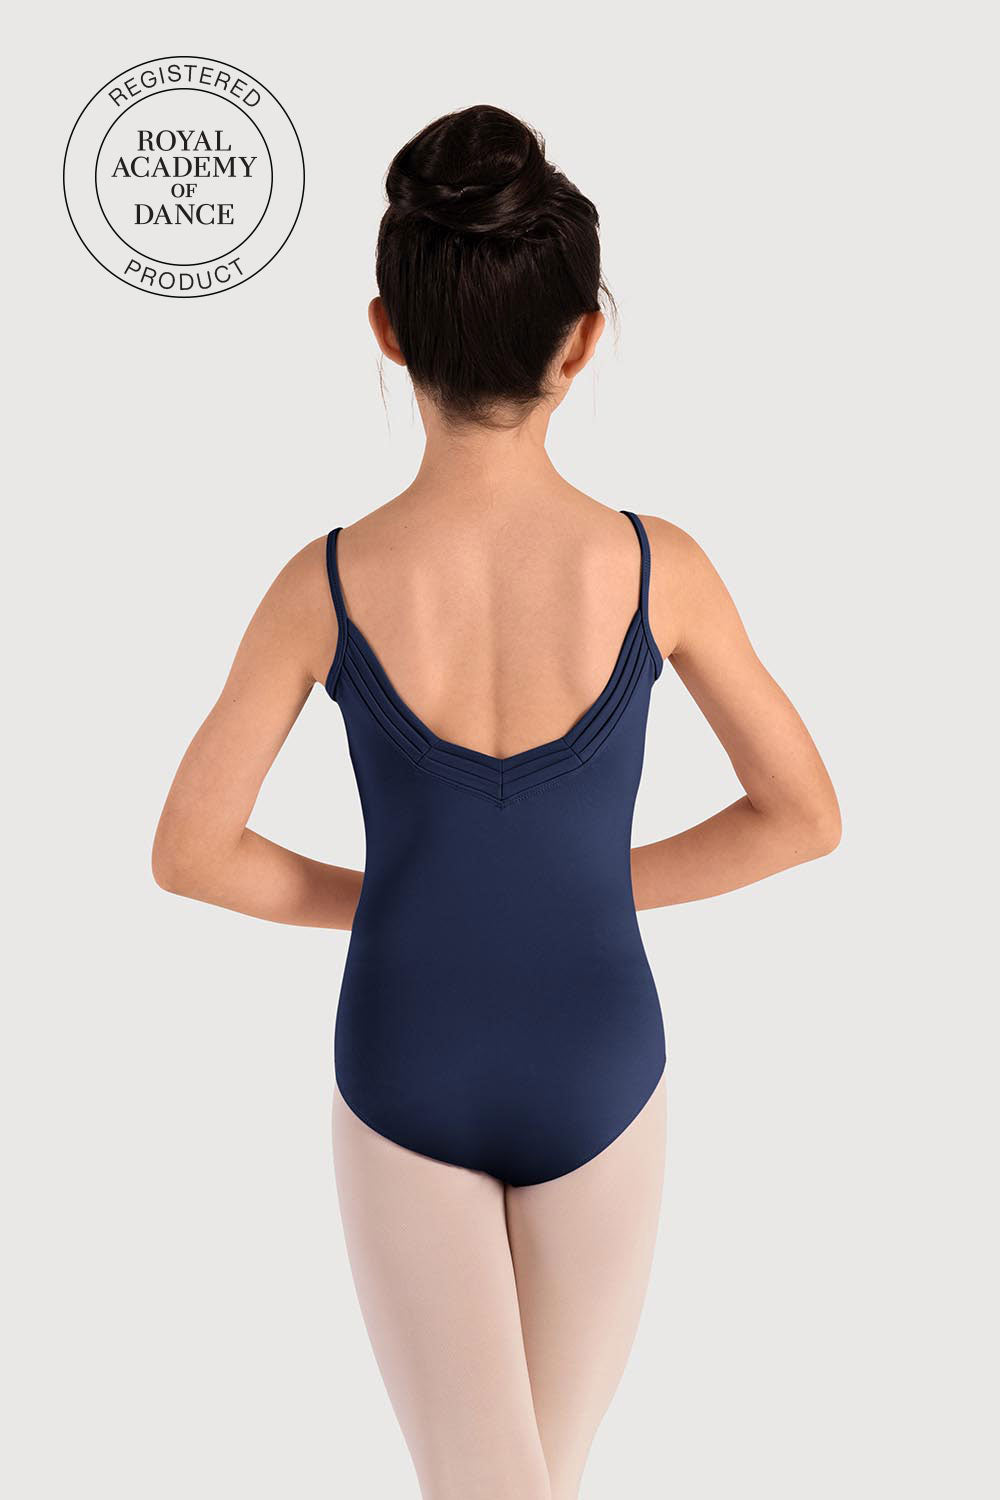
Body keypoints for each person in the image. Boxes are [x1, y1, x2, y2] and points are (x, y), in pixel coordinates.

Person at [152, 104, 841, 1500]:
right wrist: (574, 887)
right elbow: (802, 815)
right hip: (602, 1058)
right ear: (581, 342)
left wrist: (414, 899)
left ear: (387, 333)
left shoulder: (324, 583)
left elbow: (192, 852)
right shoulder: (658, 568)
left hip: (405, 1058)